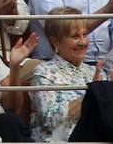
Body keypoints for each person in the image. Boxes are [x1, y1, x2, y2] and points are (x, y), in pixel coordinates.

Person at [30, 9, 97, 142]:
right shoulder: (43, 72)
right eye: (74, 36)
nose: (82, 42)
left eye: (84, 34)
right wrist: (92, 94)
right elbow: (49, 119)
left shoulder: (94, 71)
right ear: (55, 42)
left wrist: (112, 87)